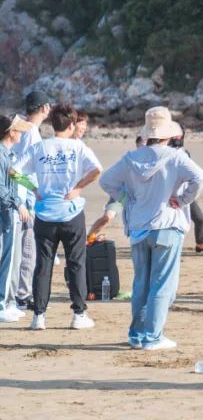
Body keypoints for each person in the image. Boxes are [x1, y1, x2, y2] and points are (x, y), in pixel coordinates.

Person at [99, 107, 203, 349]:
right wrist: (183, 200)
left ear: (147, 133)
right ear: (169, 133)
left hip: (138, 227)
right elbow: (200, 178)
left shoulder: (130, 158)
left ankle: (137, 335)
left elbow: (105, 181)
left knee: (141, 284)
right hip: (167, 225)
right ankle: (153, 337)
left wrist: (127, 197)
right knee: (162, 285)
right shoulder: (177, 156)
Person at [25, 103, 103, 330]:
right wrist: (78, 188)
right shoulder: (78, 146)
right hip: (71, 213)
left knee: (43, 265)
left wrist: (33, 189)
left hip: (45, 213)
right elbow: (97, 170)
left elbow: (14, 171)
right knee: (76, 263)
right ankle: (79, 314)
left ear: (52, 124)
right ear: (71, 125)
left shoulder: (40, 147)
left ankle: (39, 316)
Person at [9, 91, 50, 311]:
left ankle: (19, 293)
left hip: (18, 196)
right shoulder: (31, 131)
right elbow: (20, 169)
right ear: (45, 108)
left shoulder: (20, 127)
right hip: (24, 198)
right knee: (27, 249)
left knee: (20, 248)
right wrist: (28, 197)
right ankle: (22, 295)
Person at [0, 115, 33, 323]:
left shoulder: (9, 154)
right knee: (8, 259)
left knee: (12, 260)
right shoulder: (1, 154)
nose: (21, 134)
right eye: (19, 130)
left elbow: (15, 177)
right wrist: (18, 203)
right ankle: (2, 303)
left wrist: (35, 190)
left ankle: (9, 302)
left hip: (10, 211)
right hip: (6, 213)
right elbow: (1, 188)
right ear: (11, 132)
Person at [164, 124, 203, 254]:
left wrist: (186, 196)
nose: (177, 136)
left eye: (179, 133)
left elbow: (195, 176)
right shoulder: (163, 152)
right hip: (167, 194)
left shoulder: (184, 152)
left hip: (185, 194)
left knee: (200, 219)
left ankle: (200, 244)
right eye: (174, 133)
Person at [87, 135, 144, 245]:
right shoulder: (129, 159)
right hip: (122, 193)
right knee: (107, 217)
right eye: (140, 146)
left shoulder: (152, 159)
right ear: (137, 146)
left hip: (140, 195)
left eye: (145, 146)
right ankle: (89, 239)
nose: (143, 149)